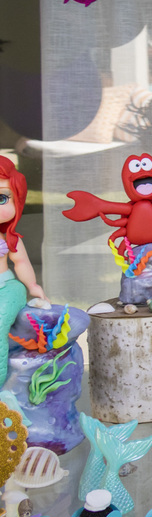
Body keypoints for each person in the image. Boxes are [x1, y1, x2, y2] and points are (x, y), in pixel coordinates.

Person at [0, 157, 47, 385]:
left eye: (2, 198)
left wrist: (33, 286)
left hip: (7, 287)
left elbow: (21, 263)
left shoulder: (9, 239)